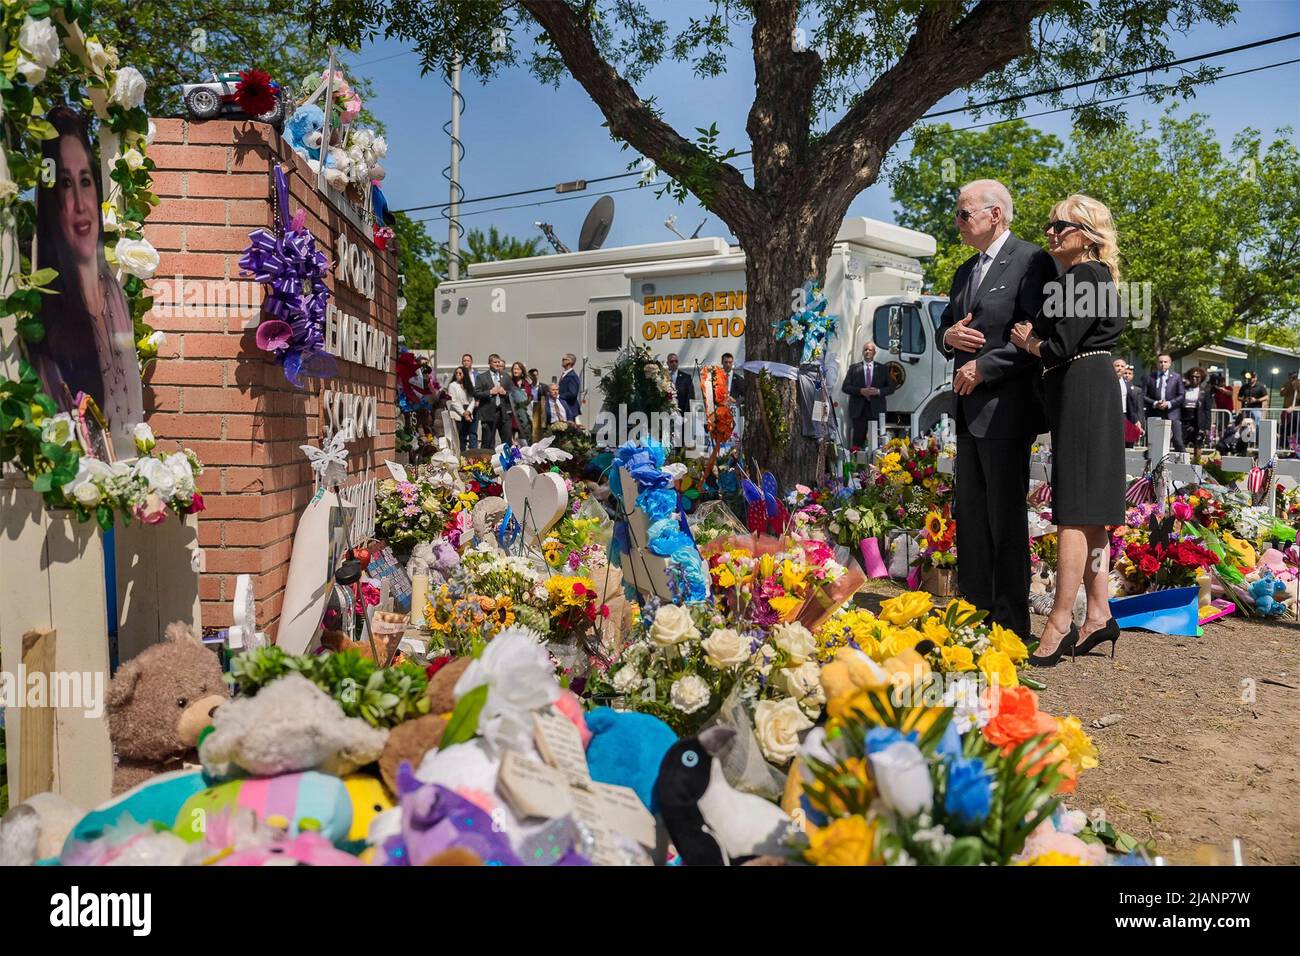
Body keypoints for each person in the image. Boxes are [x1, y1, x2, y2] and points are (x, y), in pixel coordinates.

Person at [937, 179, 1056, 643]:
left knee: (1004, 518)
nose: (958, 222)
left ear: (996, 215)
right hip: (968, 410)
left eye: (964, 214)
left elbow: (1035, 334)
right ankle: (975, 610)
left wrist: (985, 367)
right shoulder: (965, 270)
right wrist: (949, 337)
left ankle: (1010, 622)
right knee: (971, 514)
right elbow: (950, 322)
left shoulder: (1032, 260)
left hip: (1007, 407)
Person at [1011, 193, 1127, 666]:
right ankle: (1099, 613)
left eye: (1062, 226)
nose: (1052, 233)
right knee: (1093, 514)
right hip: (1089, 389)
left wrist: (1030, 342)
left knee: (1074, 511)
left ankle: (1060, 620)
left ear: (1088, 235)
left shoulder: (1084, 275)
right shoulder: (1093, 277)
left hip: (1081, 388)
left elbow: (1059, 346)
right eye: (1049, 225)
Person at [26, 106, 144, 460]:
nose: (79, 203)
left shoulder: (114, 292)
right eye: (64, 184)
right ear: (51, 201)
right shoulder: (46, 310)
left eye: (85, 181)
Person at [841, 341, 895, 449]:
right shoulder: (854, 368)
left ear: (874, 352)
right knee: (858, 439)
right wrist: (860, 391)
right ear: (862, 352)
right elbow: (845, 387)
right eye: (865, 349)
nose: (867, 352)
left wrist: (878, 391)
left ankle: (875, 463)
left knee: (875, 439)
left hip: (876, 409)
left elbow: (891, 388)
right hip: (859, 410)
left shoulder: (882, 369)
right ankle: (856, 463)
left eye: (870, 350)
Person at [1142, 353, 1185, 452]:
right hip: (1155, 413)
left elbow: (1182, 395)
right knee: (1153, 442)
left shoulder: (1176, 377)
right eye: (1160, 362)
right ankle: (1152, 465)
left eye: (1165, 362)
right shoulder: (1149, 377)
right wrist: (1155, 403)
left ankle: (1184, 464)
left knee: (1177, 441)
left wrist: (1169, 403)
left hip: (1172, 413)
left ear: (1170, 364)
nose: (1163, 364)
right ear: (1157, 363)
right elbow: (1143, 395)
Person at [474, 353, 512, 449]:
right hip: (488, 414)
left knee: (507, 441)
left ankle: (509, 462)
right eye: (495, 362)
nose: (498, 364)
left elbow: (513, 393)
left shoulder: (506, 376)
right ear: (489, 363)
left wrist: (505, 393)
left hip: (504, 414)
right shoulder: (481, 377)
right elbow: (476, 393)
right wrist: (490, 392)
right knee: (488, 442)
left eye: (499, 362)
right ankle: (486, 462)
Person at [1181, 367, 1213, 458]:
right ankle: (1182, 464)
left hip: (1198, 419)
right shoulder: (1183, 389)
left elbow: (1207, 410)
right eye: (1192, 376)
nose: (1194, 379)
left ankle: (1197, 464)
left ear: (1201, 378)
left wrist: (1207, 427)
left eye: (1197, 377)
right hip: (1184, 418)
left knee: (1198, 443)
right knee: (1181, 442)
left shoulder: (1205, 391)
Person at [446, 366, 476, 451]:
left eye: (460, 373)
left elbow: (472, 400)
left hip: (468, 411)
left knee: (467, 435)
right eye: (456, 373)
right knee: (459, 437)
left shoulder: (468, 385)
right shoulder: (452, 385)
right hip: (458, 413)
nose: (458, 375)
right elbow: (454, 401)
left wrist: (469, 411)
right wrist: (464, 413)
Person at [1116, 359, 1143, 447]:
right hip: (1112, 416)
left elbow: (1131, 405)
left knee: (1129, 442)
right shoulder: (1107, 382)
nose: (1119, 368)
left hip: (1125, 416)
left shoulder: (1127, 385)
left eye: (1122, 366)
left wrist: (1136, 420)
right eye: (1117, 366)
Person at [508, 360, 533, 444]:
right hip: (511, 416)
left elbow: (530, 397)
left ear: (522, 371)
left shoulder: (526, 384)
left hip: (523, 417)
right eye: (514, 369)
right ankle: (513, 456)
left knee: (524, 442)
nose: (515, 371)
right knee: (511, 442)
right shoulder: (509, 383)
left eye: (518, 369)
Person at [558, 353, 581, 422]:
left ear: (570, 362)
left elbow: (572, 393)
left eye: (564, 359)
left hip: (570, 409)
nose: (562, 360)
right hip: (565, 408)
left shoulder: (572, 376)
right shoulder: (566, 374)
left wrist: (559, 396)